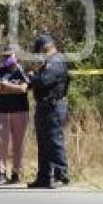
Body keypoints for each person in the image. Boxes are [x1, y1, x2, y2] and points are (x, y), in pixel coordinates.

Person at [27, 34, 70, 189]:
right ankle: (44, 177)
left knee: (54, 141)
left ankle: (61, 176)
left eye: (39, 51)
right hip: (44, 106)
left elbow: (44, 81)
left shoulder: (56, 61)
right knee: (43, 142)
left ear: (45, 47)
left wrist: (33, 77)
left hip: (53, 106)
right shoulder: (48, 62)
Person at [0, 46, 30, 185]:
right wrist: (14, 89)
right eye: (5, 56)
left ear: (16, 56)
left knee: (18, 143)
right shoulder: (0, 71)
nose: (7, 59)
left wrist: (7, 87)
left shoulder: (22, 71)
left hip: (20, 111)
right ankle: (1, 172)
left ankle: (16, 173)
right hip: (1, 111)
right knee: (2, 143)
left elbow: (24, 89)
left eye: (9, 56)